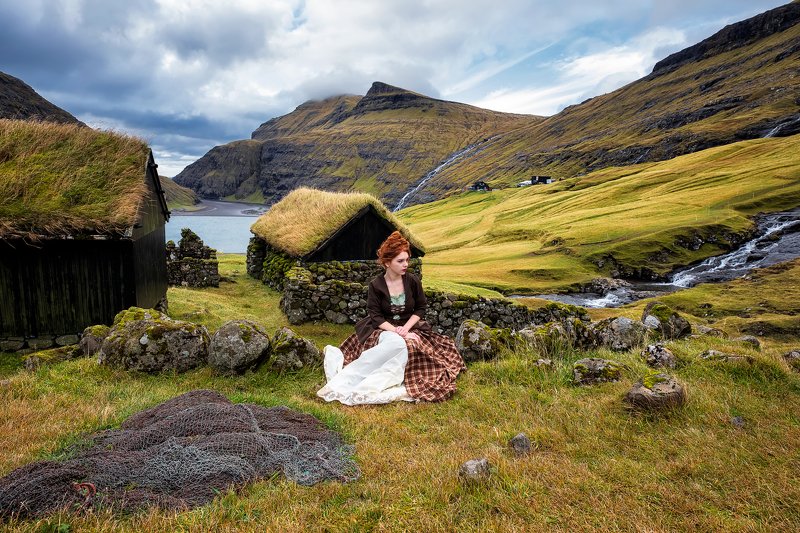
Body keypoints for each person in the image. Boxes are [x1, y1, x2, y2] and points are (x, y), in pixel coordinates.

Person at [317, 231, 466, 405]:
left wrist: (407, 328)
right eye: (400, 261)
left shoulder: (412, 281)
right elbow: (376, 317)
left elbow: (420, 308)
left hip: (409, 325)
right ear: (387, 262)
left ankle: (398, 376)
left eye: (407, 260)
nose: (406, 265)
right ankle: (358, 378)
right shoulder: (376, 285)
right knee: (399, 344)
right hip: (382, 327)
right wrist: (398, 331)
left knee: (414, 344)